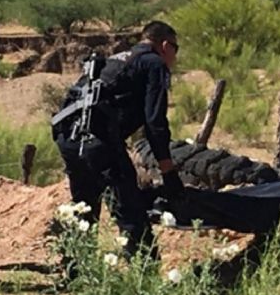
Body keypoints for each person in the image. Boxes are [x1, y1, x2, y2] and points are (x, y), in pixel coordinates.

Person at [52, 20, 184, 258]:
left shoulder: (117, 58)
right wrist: (168, 171)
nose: (175, 56)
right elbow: (155, 123)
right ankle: (144, 277)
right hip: (99, 141)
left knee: (83, 205)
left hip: (68, 137)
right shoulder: (154, 64)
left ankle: (74, 272)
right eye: (176, 49)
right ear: (165, 45)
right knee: (129, 208)